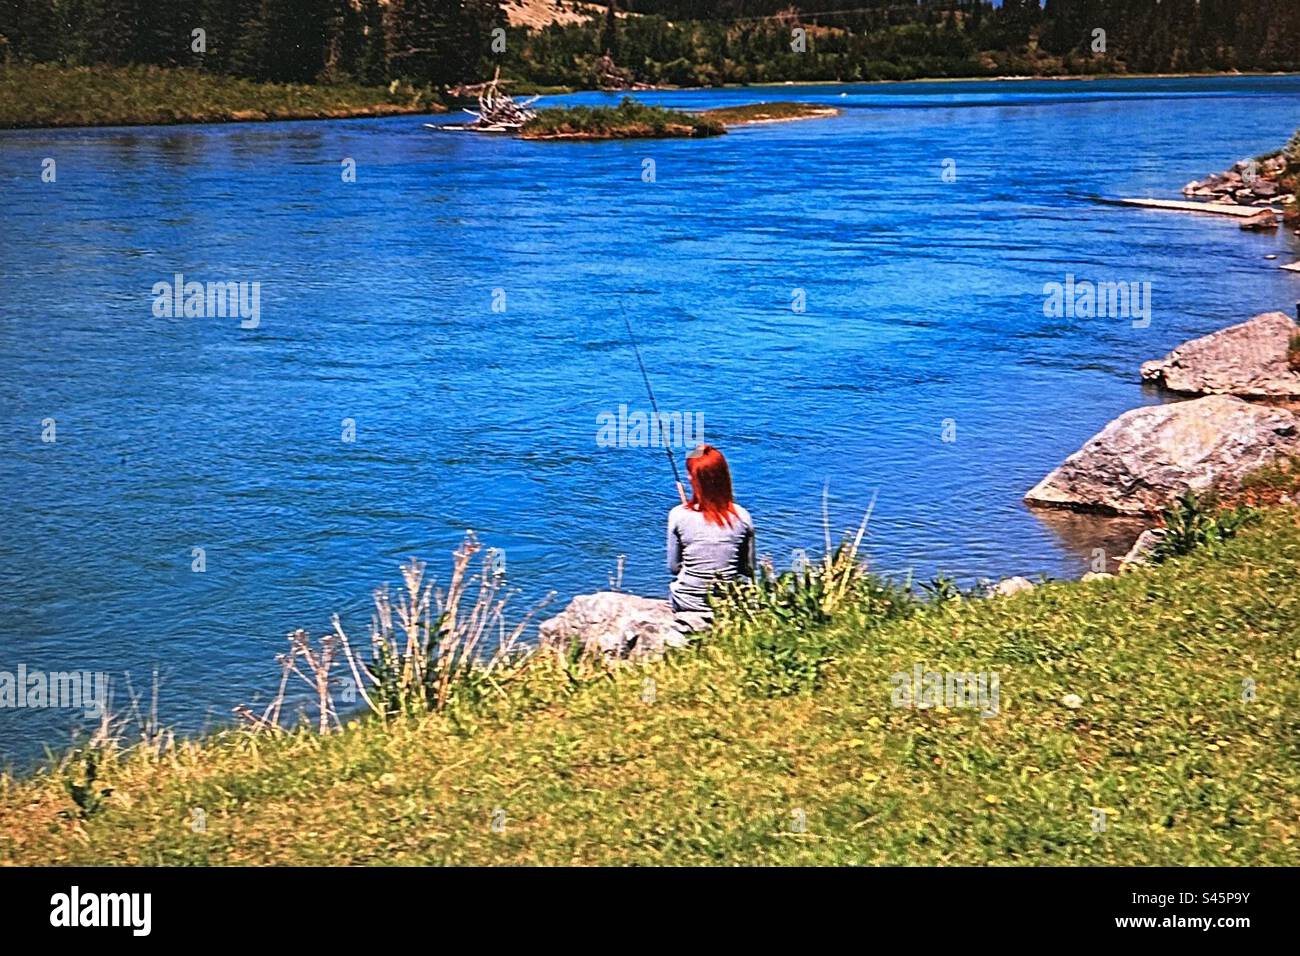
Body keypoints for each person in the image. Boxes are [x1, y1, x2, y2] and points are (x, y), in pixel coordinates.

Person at [666, 444, 755, 630]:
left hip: (687, 602)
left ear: (694, 480)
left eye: (690, 473)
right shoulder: (743, 517)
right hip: (728, 603)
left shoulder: (678, 515)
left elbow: (674, 567)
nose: (688, 477)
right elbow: (748, 569)